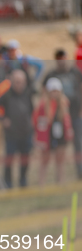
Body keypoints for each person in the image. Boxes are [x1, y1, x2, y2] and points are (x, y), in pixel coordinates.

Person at [0, 70, 34, 188]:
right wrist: (3, 119)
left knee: (25, 159)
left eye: (21, 82)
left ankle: (23, 181)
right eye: (16, 82)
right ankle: (8, 183)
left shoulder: (27, 93)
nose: (19, 85)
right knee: (9, 160)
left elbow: (31, 109)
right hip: (11, 134)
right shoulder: (7, 95)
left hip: (26, 132)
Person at [43, 49, 82, 179]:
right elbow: (44, 91)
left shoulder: (75, 72)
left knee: (78, 143)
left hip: (75, 114)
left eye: (63, 58)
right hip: (57, 118)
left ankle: (80, 172)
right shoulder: (51, 74)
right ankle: (51, 177)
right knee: (55, 147)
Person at [33, 78, 73, 185]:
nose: (55, 93)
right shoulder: (42, 105)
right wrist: (39, 139)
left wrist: (69, 131)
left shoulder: (64, 103)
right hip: (47, 136)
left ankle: (61, 183)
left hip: (60, 135)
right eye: (53, 91)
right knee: (44, 161)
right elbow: (38, 122)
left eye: (57, 91)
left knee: (60, 161)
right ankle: (42, 184)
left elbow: (67, 119)